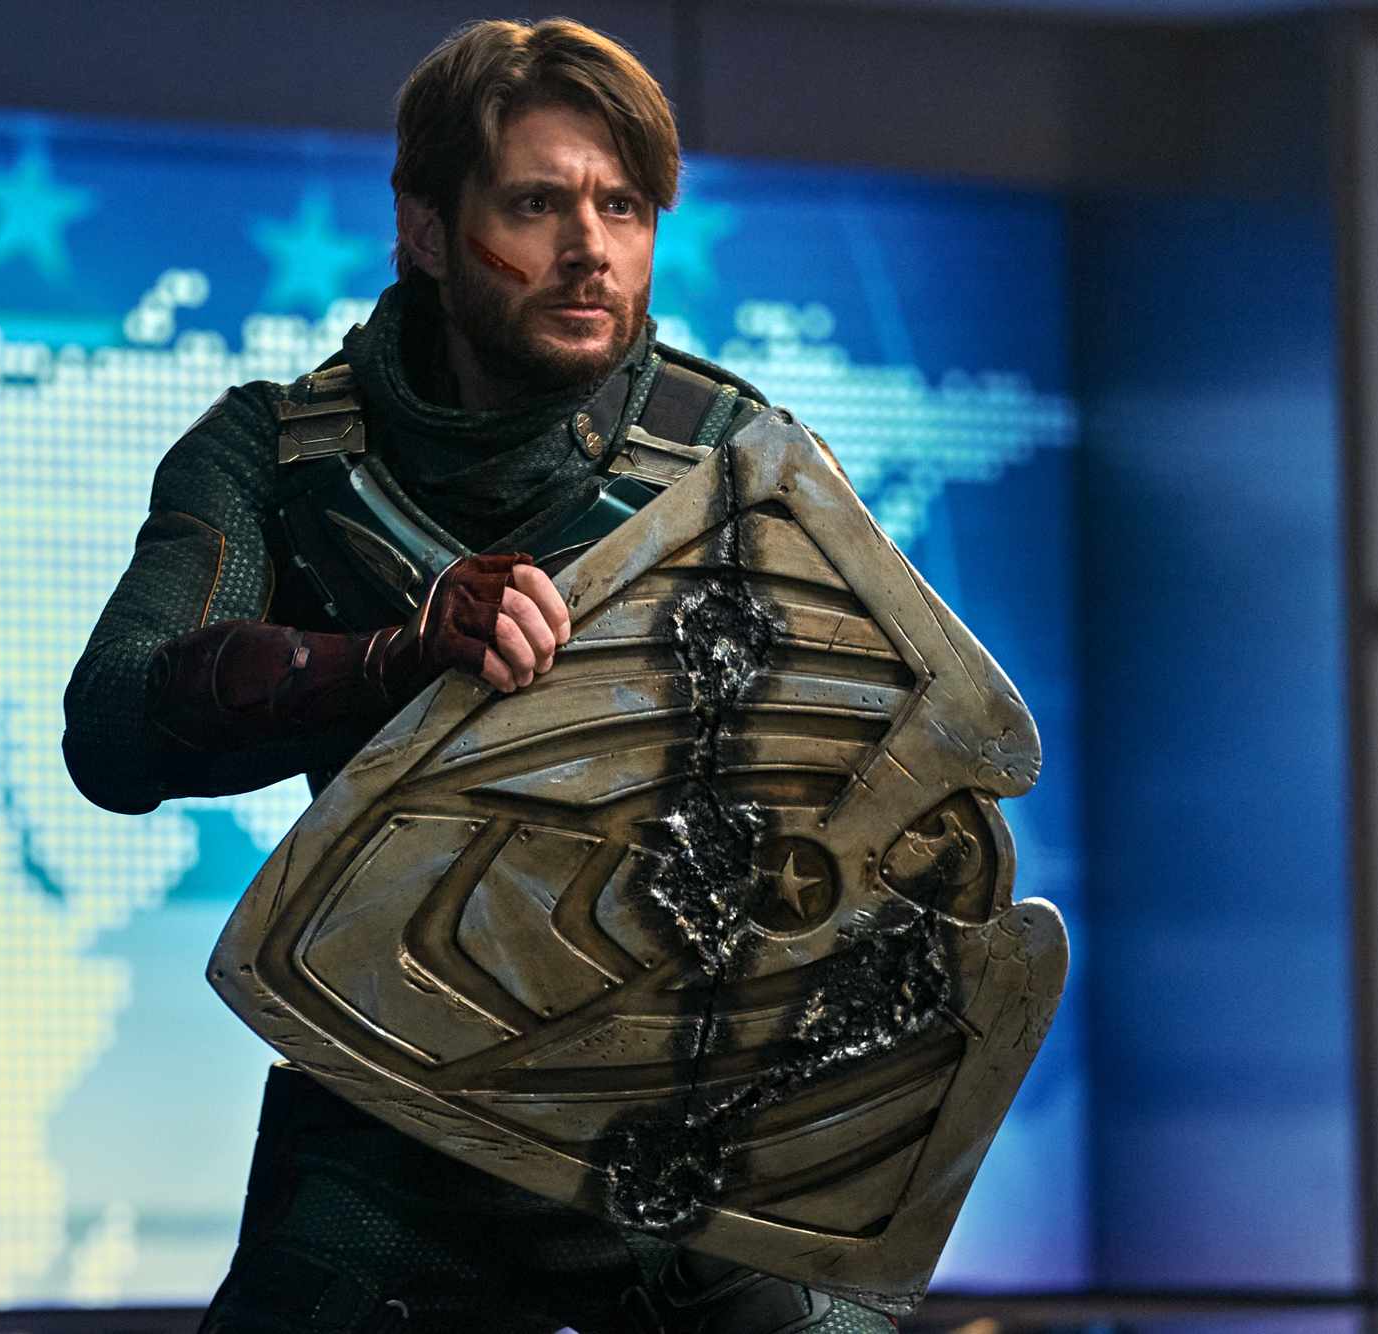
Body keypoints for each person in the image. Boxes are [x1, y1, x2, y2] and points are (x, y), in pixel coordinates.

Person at [63, 19, 895, 1334]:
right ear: (427, 229)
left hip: (689, 1131)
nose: (591, 248)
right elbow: (114, 726)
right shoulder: (280, 454)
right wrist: (390, 660)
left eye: (623, 207)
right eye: (535, 204)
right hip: (396, 1115)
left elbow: (891, 776)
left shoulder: (749, 469)